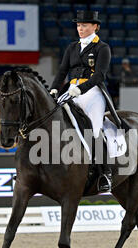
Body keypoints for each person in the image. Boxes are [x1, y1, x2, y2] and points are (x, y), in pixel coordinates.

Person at [49, 10, 113, 192]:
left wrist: (80, 89)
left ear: (95, 27)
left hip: (92, 92)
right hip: (71, 90)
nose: (80, 28)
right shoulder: (72, 47)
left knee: (94, 129)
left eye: (84, 25)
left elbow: (99, 76)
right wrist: (54, 89)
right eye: (78, 25)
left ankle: (105, 173)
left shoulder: (102, 48)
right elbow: (62, 71)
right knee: (49, 118)